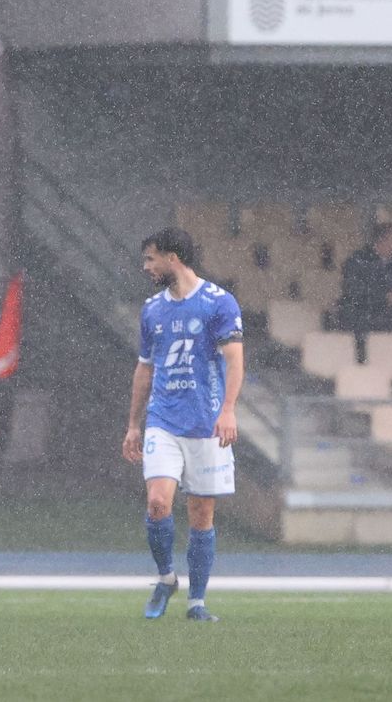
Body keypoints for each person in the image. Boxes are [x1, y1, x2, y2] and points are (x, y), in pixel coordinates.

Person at [122, 227, 244, 623]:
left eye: (151, 259)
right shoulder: (152, 309)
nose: (146, 267)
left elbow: (234, 360)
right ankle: (165, 577)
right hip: (163, 421)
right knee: (158, 503)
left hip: (206, 423)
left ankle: (197, 602)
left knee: (200, 515)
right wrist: (134, 425)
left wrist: (228, 410)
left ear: (173, 258)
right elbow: (145, 368)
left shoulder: (218, 303)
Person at [334, 223, 392, 333]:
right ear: (381, 240)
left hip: (385, 319)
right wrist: (383, 297)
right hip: (359, 318)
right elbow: (353, 290)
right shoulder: (358, 260)